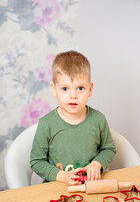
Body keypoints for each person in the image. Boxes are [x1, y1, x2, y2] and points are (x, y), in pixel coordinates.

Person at [30, 50, 116, 186]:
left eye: (80, 88)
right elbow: (36, 161)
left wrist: (96, 164)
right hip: (57, 186)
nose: (73, 95)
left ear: (90, 89)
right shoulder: (46, 124)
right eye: (65, 89)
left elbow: (108, 149)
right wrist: (63, 177)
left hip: (90, 185)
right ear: (54, 89)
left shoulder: (98, 119)